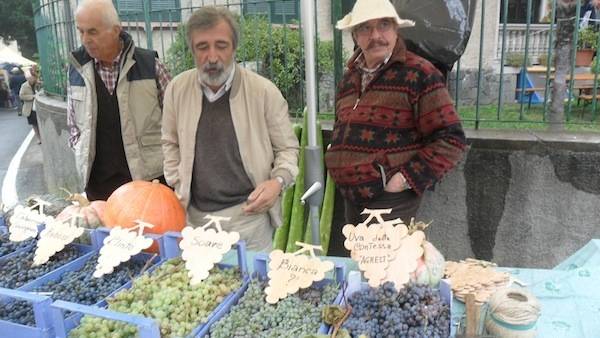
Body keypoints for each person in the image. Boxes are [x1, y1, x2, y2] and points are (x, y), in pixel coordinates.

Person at [161, 7, 299, 251]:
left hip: (248, 220)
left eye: (221, 45)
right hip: (195, 220)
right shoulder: (177, 89)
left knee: (253, 287)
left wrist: (277, 181)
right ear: (192, 49)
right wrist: (177, 180)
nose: (212, 57)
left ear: (234, 48)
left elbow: (288, 149)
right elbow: (170, 142)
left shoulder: (263, 92)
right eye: (203, 47)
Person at [325, 0, 467, 235]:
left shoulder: (419, 73)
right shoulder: (350, 77)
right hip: (351, 195)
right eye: (365, 28)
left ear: (396, 29)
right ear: (355, 35)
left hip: (389, 199)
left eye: (384, 25)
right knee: (361, 262)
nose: (375, 35)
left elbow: (451, 139)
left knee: (384, 268)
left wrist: (402, 180)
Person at [67, 0, 171, 201]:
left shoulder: (151, 67)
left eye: (93, 32)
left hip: (148, 185)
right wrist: (80, 149)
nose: (85, 39)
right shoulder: (76, 70)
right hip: (98, 189)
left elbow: (178, 123)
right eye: (81, 31)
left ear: (115, 30)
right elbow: (73, 125)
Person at [19, 73, 42, 144]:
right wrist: (32, 96)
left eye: (33, 78)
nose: (32, 79)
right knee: (34, 124)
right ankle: (39, 138)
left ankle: (42, 136)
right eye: (30, 78)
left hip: (38, 106)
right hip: (30, 108)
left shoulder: (38, 84)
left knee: (40, 123)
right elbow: (21, 96)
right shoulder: (24, 86)